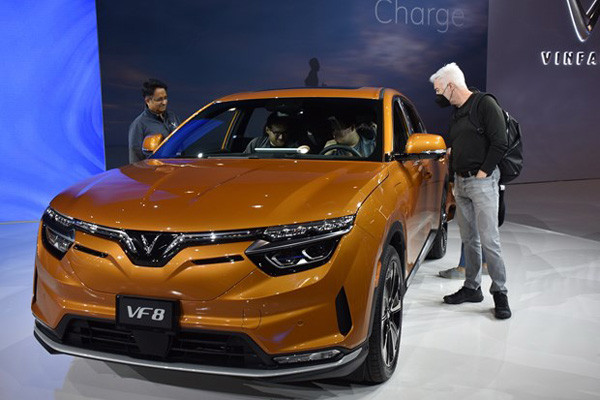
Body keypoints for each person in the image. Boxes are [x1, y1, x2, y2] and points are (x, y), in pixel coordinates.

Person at [430, 62, 511, 319]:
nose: (438, 96)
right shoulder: (457, 112)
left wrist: (482, 173)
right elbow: (458, 143)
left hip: (482, 183)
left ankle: (500, 293)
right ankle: (472, 288)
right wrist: (454, 177)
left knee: (489, 241)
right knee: (469, 239)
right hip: (462, 183)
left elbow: (500, 142)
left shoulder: (485, 104)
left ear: (451, 86)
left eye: (439, 90)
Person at [128, 79, 181, 163]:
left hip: (177, 167)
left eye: (165, 98)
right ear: (148, 101)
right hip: (156, 169)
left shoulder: (173, 117)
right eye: (159, 99)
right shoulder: (139, 125)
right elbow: (135, 160)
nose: (164, 102)